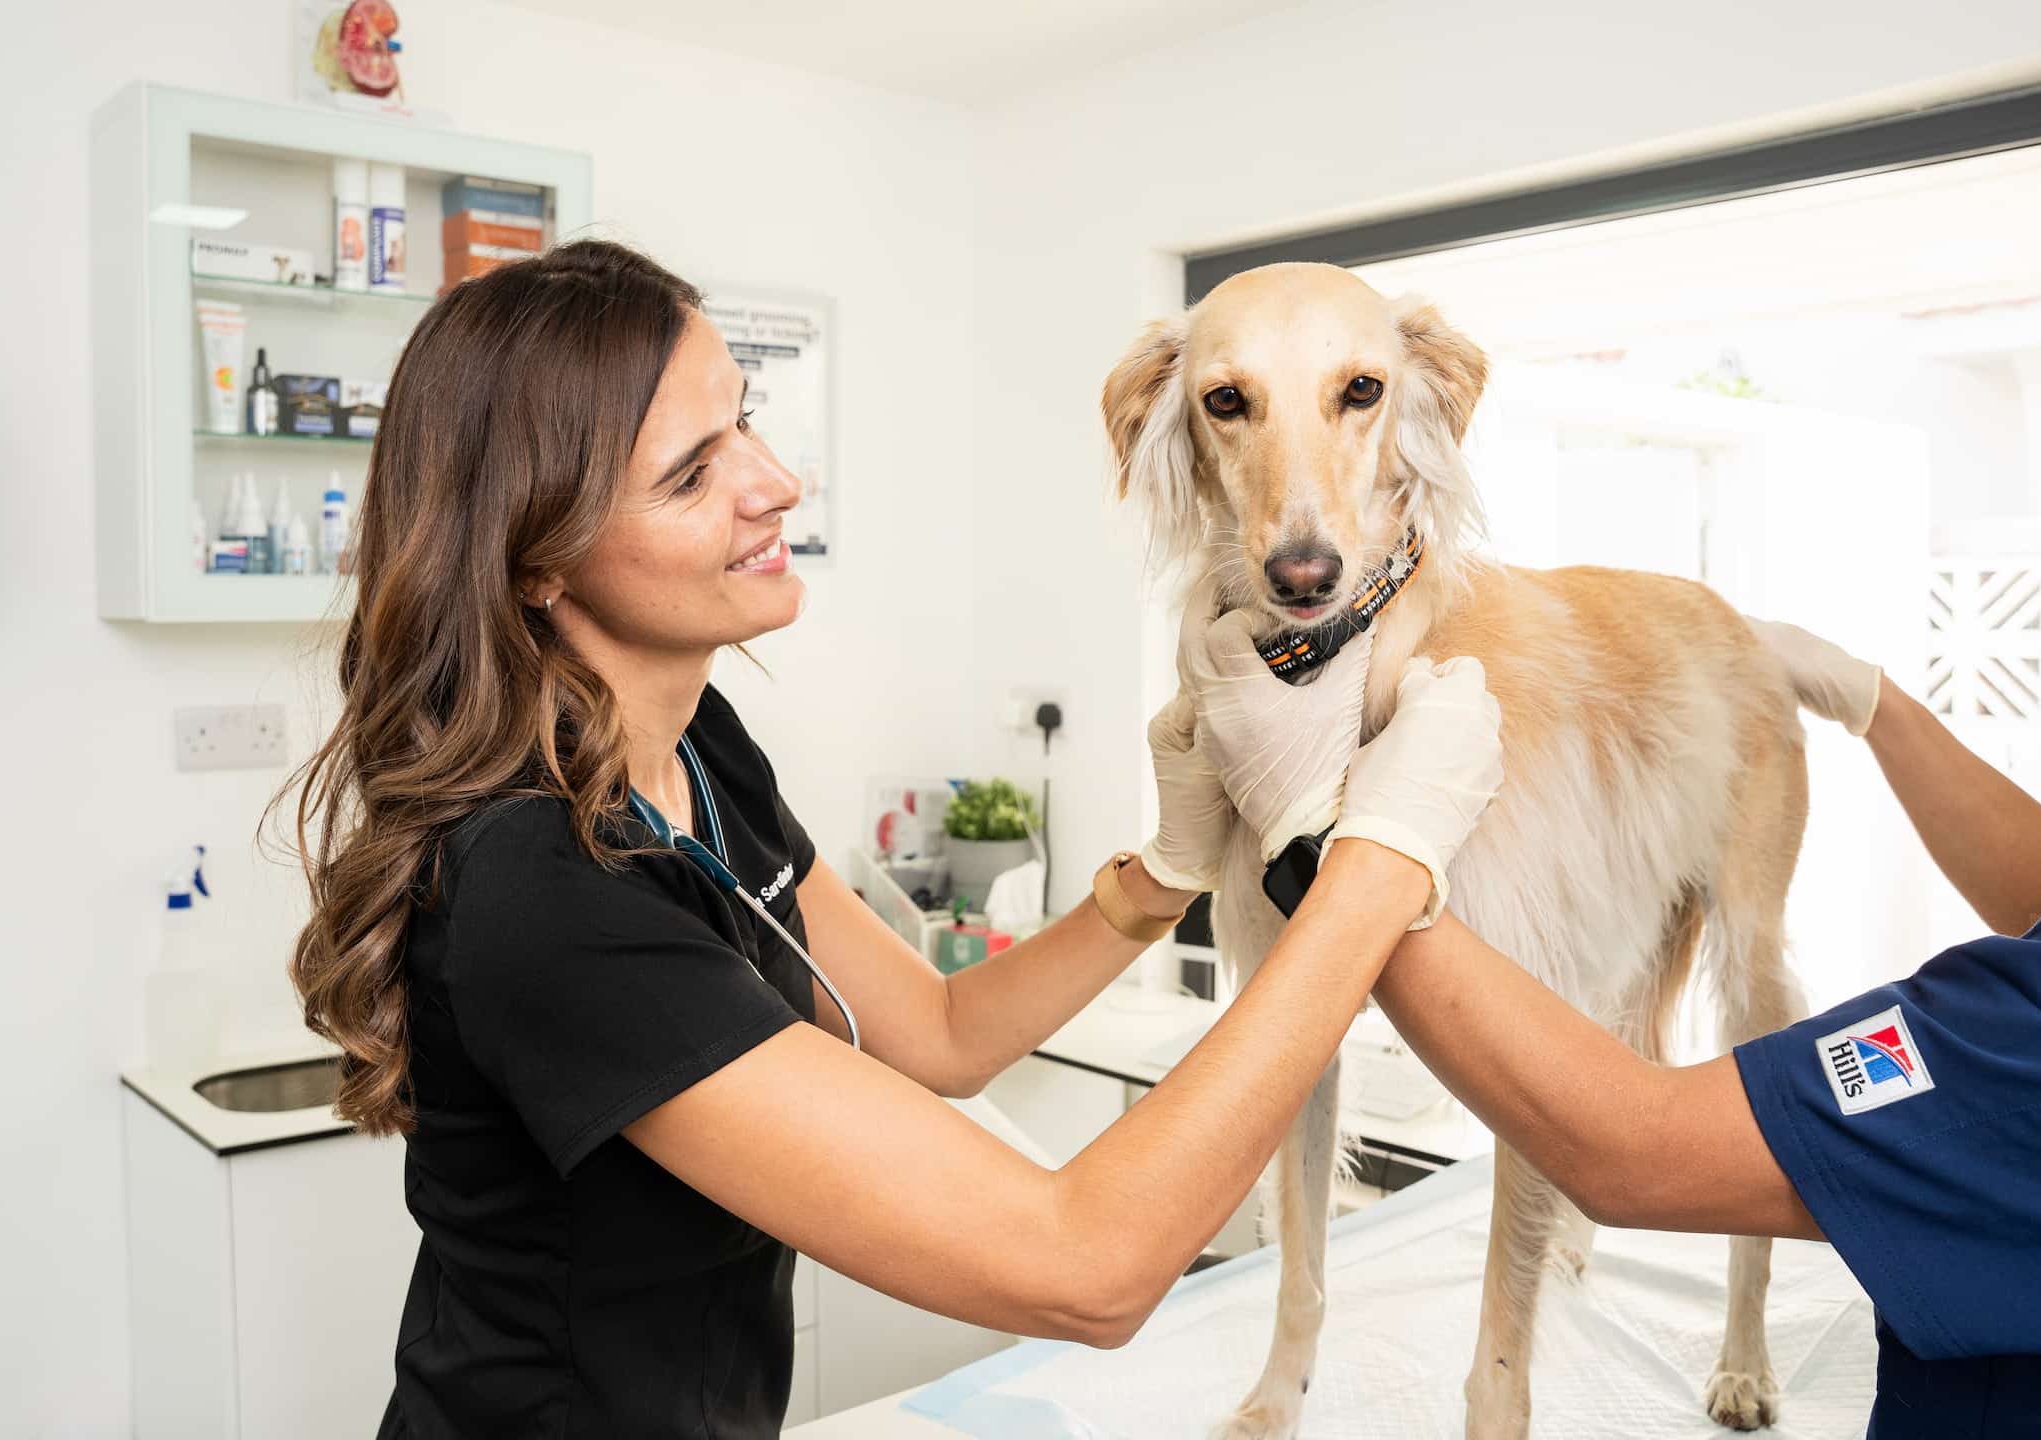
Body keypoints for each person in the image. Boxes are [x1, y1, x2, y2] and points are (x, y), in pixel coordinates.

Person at [281, 239, 1507, 1439]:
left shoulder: (695, 745)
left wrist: (1160, 877)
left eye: (747, 424)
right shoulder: (540, 895)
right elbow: (1085, 1268)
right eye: (693, 475)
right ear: (536, 560)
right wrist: (1381, 859)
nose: (773, 485)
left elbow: (937, 1036)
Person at [1344, 414, 2041, 1436]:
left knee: (1748, 989)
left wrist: (1353, 865)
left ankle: (1747, 1322)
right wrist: (1877, 706)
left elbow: (1635, 1152)